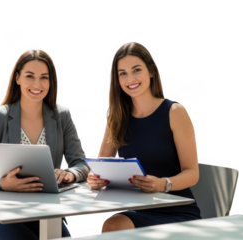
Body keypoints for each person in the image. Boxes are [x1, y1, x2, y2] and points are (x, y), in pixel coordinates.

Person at [0, 48, 90, 240]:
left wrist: (69, 174)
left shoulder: (62, 116)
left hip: (44, 213)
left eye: (44, 77)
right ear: (17, 78)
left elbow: (82, 164)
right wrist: (0, 182)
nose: (37, 84)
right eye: (30, 76)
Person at [87, 41, 202, 232]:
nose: (130, 79)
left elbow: (192, 173)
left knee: (114, 226)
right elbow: (100, 165)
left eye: (136, 70)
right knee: (113, 225)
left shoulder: (175, 112)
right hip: (137, 209)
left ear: (151, 71)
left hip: (176, 211)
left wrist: (162, 184)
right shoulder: (116, 117)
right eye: (122, 73)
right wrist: (95, 179)